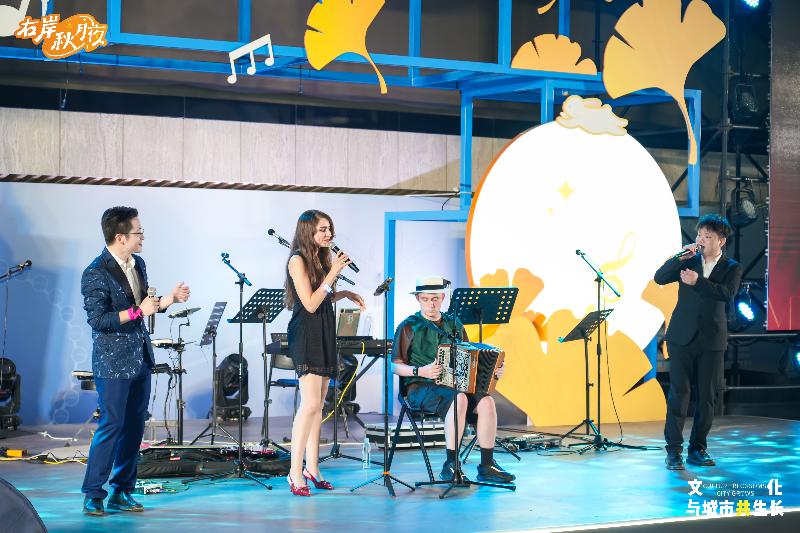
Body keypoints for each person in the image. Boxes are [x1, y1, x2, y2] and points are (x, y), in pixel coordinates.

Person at [81, 206, 190, 515]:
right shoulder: (95, 272)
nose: (142, 237)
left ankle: (122, 490)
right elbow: (99, 320)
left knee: (134, 428)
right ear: (120, 237)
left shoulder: (138, 263)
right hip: (113, 363)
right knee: (111, 425)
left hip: (140, 358)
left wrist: (170, 299)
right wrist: (138, 311)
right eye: (138, 232)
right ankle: (93, 493)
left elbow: (146, 306)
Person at [391, 276, 515, 484]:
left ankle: (487, 466)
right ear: (418, 299)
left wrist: (494, 371)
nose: (431, 304)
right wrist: (421, 371)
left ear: (442, 298)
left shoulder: (454, 323)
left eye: (435, 299)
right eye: (425, 299)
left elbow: (471, 356)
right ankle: (451, 465)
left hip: (454, 385)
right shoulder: (409, 326)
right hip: (420, 386)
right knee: (460, 399)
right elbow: (394, 366)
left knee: (487, 401)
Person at [284, 210, 365, 496]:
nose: (328, 234)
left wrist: (343, 294)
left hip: (324, 329)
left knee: (319, 405)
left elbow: (322, 297)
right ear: (308, 231)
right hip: (306, 333)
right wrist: (333, 274)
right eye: (322, 229)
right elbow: (308, 303)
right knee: (309, 404)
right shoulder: (297, 260)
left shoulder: (319, 258)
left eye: (329, 229)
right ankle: (295, 472)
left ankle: (313, 467)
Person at [654, 214, 742, 470]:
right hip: (681, 337)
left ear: (721, 241)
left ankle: (697, 449)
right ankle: (673, 451)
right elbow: (659, 277)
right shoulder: (688, 260)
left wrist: (698, 282)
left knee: (706, 398)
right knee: (678, 395)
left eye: (707, 236)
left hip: (711, 340)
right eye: (699, 235)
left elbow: (727, 294)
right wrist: (678, 258)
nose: (701, 240)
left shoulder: (732, 267)